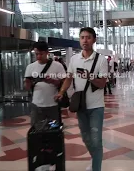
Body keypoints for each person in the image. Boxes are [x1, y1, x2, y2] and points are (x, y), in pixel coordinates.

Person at [55, 27, 108, 171]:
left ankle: (96, 167)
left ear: (94, 39)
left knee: (96, 141)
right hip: (81, 106)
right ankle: (95, 158)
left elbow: (103, 83)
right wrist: (61, 92)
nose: (85, 40)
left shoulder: (101, 60)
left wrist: (89, 76)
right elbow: (68, 78)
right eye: (82, 37)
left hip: (96, 106)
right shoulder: (74, 59)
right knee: (86, 138)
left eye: (88, 37)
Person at [24, 42, 66, 125]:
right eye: (36, 54)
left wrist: (52, 81)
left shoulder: (57, 66)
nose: (38, 56)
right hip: (37, 105)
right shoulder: (30, 67)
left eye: (41, 54)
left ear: (47, 52)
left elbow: (64, 82)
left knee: (53, 130)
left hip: (53, 105)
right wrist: (27, 83)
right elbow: (27, 87)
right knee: (37, 131)